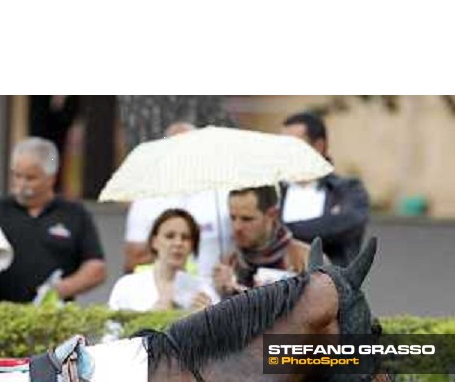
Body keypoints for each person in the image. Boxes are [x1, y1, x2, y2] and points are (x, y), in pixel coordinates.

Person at [0, 137, 106, 303]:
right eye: (17, 175)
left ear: (51, 178)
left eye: (30, 178)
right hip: (0, 315)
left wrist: (60, 289)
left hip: (54, 317)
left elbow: (96, 267)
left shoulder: (74, 213)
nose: (21, 184)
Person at [123, 121, 231, 279]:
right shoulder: (147, 198)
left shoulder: (222, 193)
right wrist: (179, 249)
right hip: (161, 293)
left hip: (216, 291)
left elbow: (244, 245)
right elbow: (133, 260)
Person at [280, 111, 370, 266]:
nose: (285, 152)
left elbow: (345, 224)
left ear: (319, 146)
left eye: (293, 145)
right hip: (276, 285)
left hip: (329, 285)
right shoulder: (274, 191)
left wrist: (281, 232)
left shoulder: (346, 190)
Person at [212, 185, 314, 298]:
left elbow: (327, 308)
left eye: (247, 219)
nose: (237, 227)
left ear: (272, 214)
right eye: (232, 218)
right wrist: (221, 295)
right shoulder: (228, 263)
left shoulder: (304, 258)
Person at [109, 208, 219, 312]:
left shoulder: (205, 291)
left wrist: (206, 320)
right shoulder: (127, 287)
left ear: (192, 245)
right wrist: (151, 318)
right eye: (170, 236)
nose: (178, 243)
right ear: (154, 241)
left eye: (185, 237)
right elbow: (111, 330)